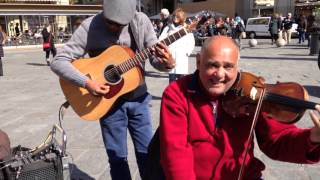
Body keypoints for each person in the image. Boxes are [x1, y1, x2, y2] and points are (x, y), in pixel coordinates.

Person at [159, 36, 320, 179]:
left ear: (237, 65)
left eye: (228, 66)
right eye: (212, 65)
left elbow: (276, 141)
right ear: (199, 61)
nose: (220, 74)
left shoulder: (251, 91)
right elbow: (176, 154)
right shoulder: (177, 93)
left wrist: (312, 138)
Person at [50, 0, 175, 179]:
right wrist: (86, 82)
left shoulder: (141, 22)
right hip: (109, 106)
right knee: (117, 158)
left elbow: (155, 59)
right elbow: (58, 61)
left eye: (120, 24)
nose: (114, 27)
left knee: (149, 155)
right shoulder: (89, 26)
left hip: (139, 100)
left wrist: (167, 64)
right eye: (110, 21)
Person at [159, 8, 195, 83]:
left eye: (177, 16)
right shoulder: (168, 28)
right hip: (171, 58)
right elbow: (160, 41)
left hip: (182, 59)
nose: (175, 18)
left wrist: (187, 52)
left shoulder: (186, 29)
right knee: (171, 82)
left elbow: (191, 42)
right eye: (174, 16)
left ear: (182, 18)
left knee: (182, 83)